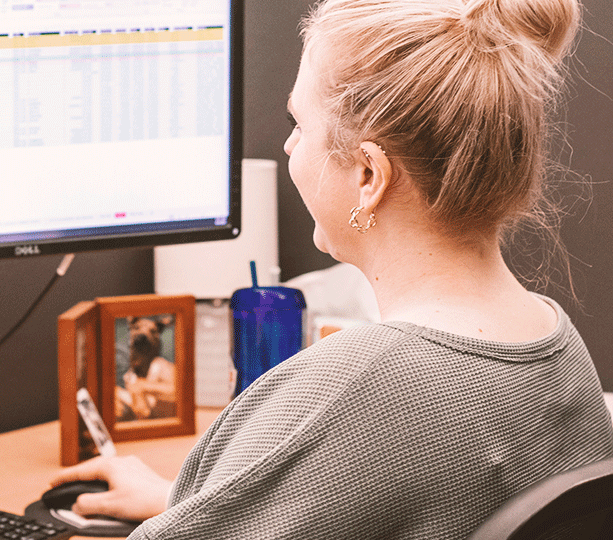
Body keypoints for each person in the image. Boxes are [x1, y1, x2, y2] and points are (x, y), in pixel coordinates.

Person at [51, 0, 613, 537]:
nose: (292, 146)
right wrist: (194, 503)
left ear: (369, 176)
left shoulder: (352, 389)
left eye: (300, 123)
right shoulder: (558, 346)